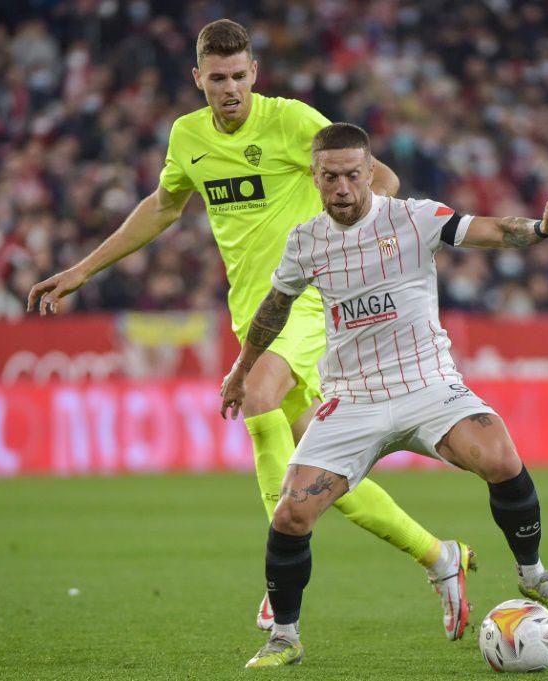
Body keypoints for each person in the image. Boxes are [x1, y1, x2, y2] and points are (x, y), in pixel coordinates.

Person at [26, 19, 469, 636]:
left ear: (254, 74)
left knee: (257, 397)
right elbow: (163, 207)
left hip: (313, 303)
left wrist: (363, 257)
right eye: (217, 79)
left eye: (239, 76)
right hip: (253, 317)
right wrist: (81, 271)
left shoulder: (290, 120)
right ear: (198, 79)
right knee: (315, 474)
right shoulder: (188, 137)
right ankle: (440, 555)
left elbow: (381, 181)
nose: (230, 88)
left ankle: (276, 586)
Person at [220, 123, 548, 668]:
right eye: (330, 177)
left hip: (427, 385)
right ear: (315, 177)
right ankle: (285, 637)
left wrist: (541, 228)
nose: (342, 187)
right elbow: (274, 308)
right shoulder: (306, 241)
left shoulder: (414, 218)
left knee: (501, 456)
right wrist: (241, 369)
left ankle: (535, 575)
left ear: (370, 172)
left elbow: (489, 230)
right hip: (353, 398)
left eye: (351, 174)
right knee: (290, 518)